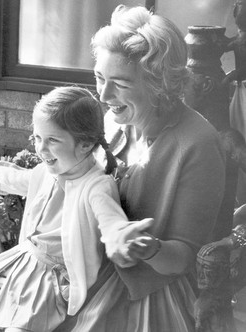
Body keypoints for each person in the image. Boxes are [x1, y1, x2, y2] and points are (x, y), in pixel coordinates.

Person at [54, 5, 227, 331]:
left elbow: (184, 257)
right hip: (85, 269)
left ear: (158, 83)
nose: (103, 95)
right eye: (99, 77)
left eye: (119, 83)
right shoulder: (110, 122)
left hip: (147, 291)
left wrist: (145, 248)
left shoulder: (198, 144)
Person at [0, 86, 154, 332]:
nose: (41, 149)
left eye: (52, 140)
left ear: (85, 144)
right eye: (37, 138)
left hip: (49, 283)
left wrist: (120, 235)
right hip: (20, 265)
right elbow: (14, 178)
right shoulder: (45, 172)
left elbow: (110, 220)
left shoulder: (96, 185)